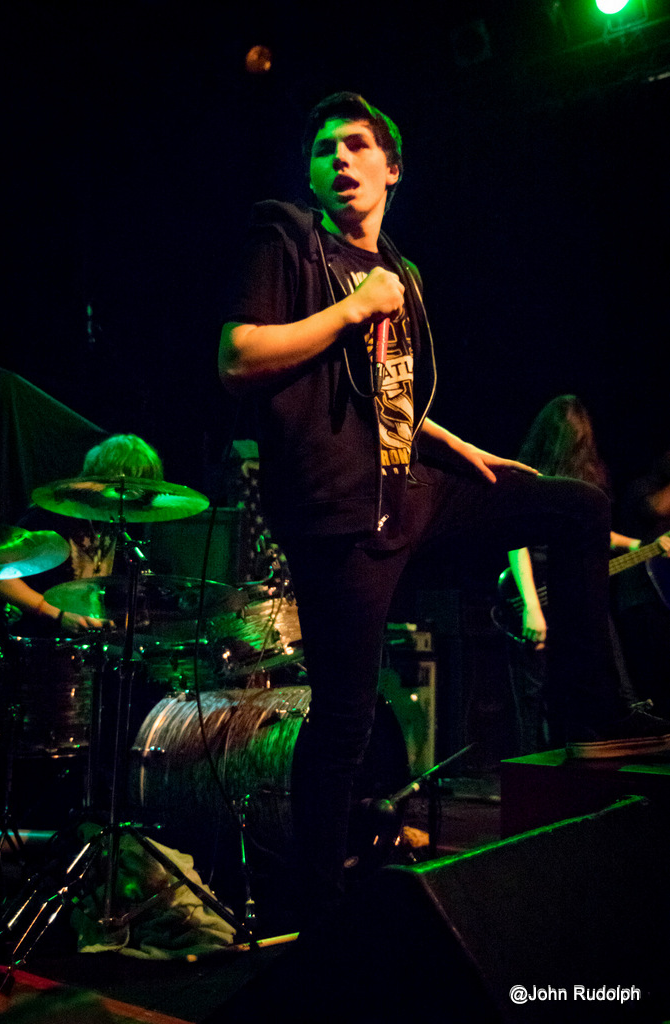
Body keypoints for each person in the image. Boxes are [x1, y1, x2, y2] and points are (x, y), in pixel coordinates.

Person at [218, 92, 670, 920]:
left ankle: (591, 711)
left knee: (572, 507)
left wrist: (457, 446)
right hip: (339, 514)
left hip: (413, 489)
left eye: (357, 145)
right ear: (310, 175)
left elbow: (389, 397)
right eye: (324, 148)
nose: (339, 158)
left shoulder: (403, 274)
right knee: (344, 720)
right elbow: (239, 356)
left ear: (392, 169)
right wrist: (354, 307)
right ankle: (320, 916)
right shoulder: (284, 239)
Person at [504, 395, 670, 752]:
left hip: (577, 590)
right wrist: (531, 606)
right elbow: (517, 544)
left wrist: (643, 546)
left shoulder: (587, 480)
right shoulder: (530, 475)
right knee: (534, 693)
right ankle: (529, 768)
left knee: (602, 674)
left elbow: (599, 535)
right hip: (537, 586)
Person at [0, 434, 164, 637]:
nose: (131, 501)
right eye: (125, 492)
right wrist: (56, 614)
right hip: (42, 637)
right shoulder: (50, 516)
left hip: (89, 640)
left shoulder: (116, 525)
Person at [614, 448, 670, 719]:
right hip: (641, 598)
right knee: (654, 677)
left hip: (662, 597)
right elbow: (657, 507)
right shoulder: (641, 490)